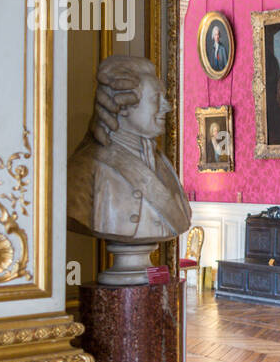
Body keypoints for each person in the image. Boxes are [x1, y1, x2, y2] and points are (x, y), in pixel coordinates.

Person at [68, 56, 191, 243]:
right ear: (124, 106)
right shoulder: (85, 169)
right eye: (156, 98)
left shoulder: (163, 164)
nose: (167, 106)